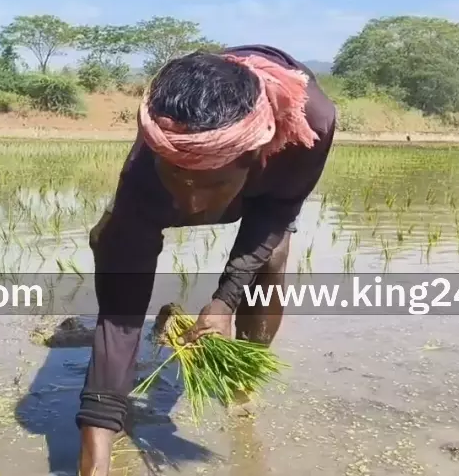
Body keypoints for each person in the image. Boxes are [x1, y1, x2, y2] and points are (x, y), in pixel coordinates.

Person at [76, 45, 337, 476]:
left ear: (253, 158)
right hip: (167, 173)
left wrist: (223, 302)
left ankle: (243, 379)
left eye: (210, 184)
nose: (192, 203)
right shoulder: (156, 154)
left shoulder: (309, 125)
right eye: (179, 177)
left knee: (270, 259)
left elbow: (276, 210)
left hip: (272, 174)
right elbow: (120, 316)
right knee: (118, 252)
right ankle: (114, 228)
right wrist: (95, 453)